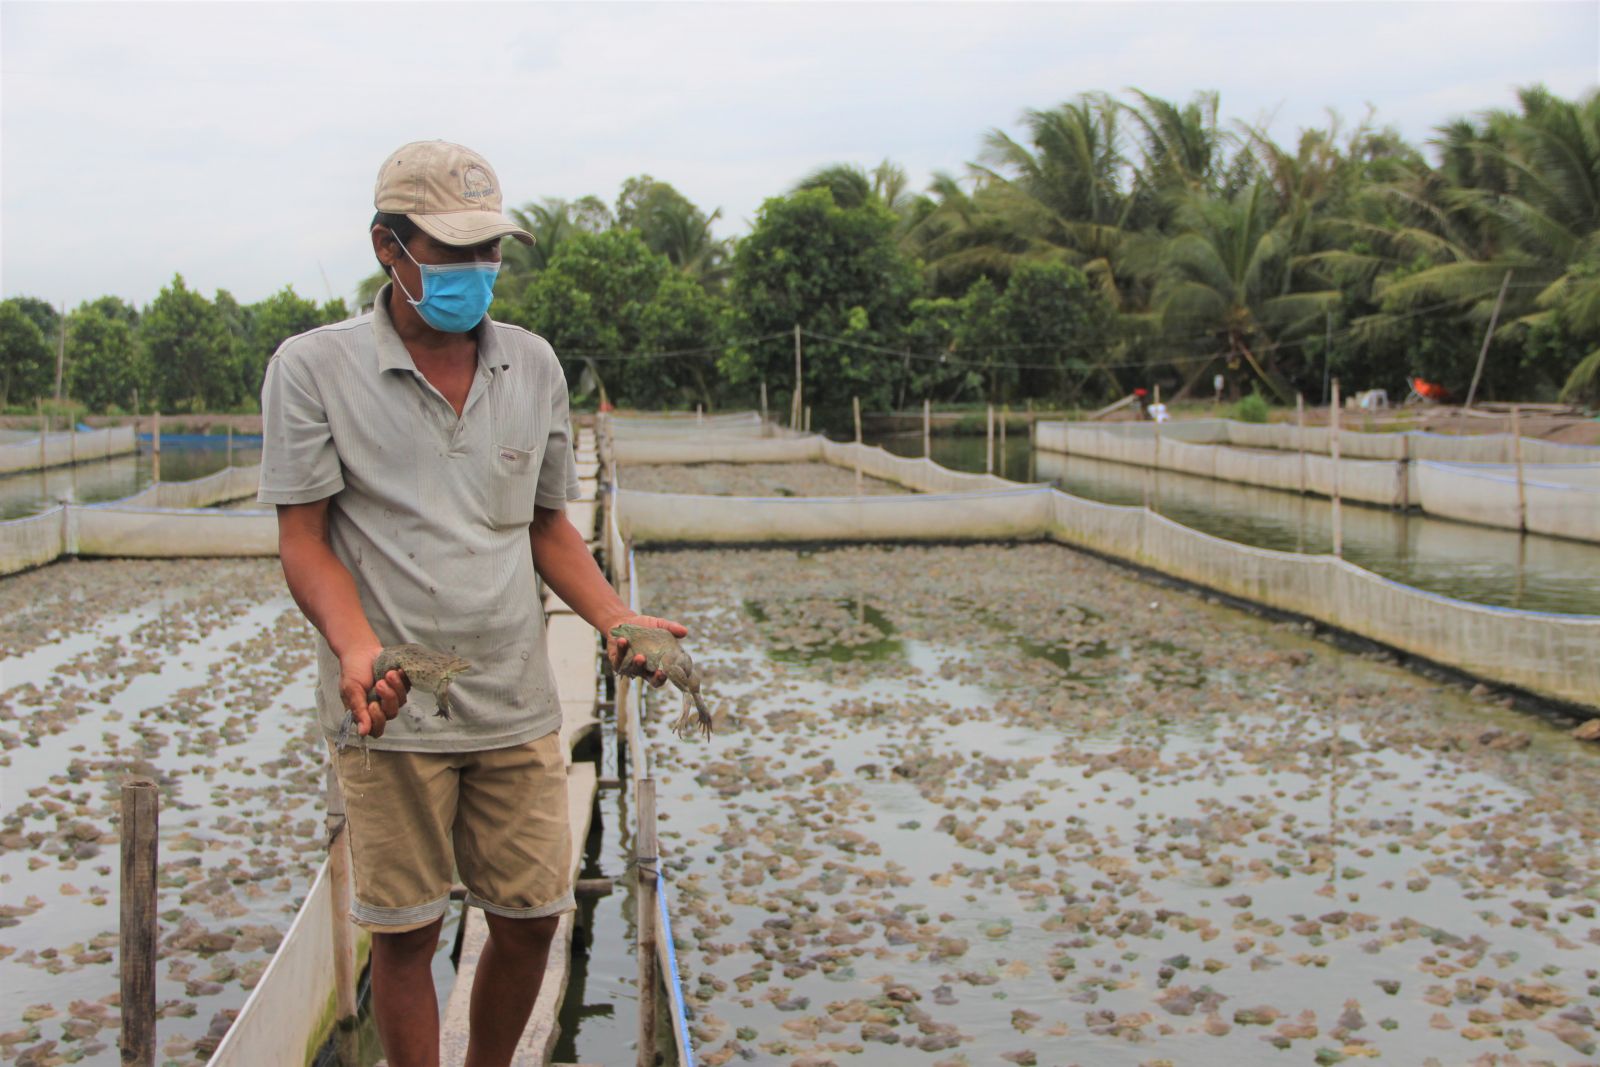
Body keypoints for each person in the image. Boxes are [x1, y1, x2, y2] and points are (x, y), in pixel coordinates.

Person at [259, 140, 683, 1067]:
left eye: (488, 250)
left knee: (532, 918)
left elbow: (548, 528)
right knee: (405, 935)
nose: (474, 272)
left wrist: (617, 617)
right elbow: (305, 541)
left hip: (515, 699)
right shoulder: (312, 369)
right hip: (393, 700)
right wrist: (357, 646)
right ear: (388, 247)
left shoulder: (532, 367)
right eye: (451, 252)